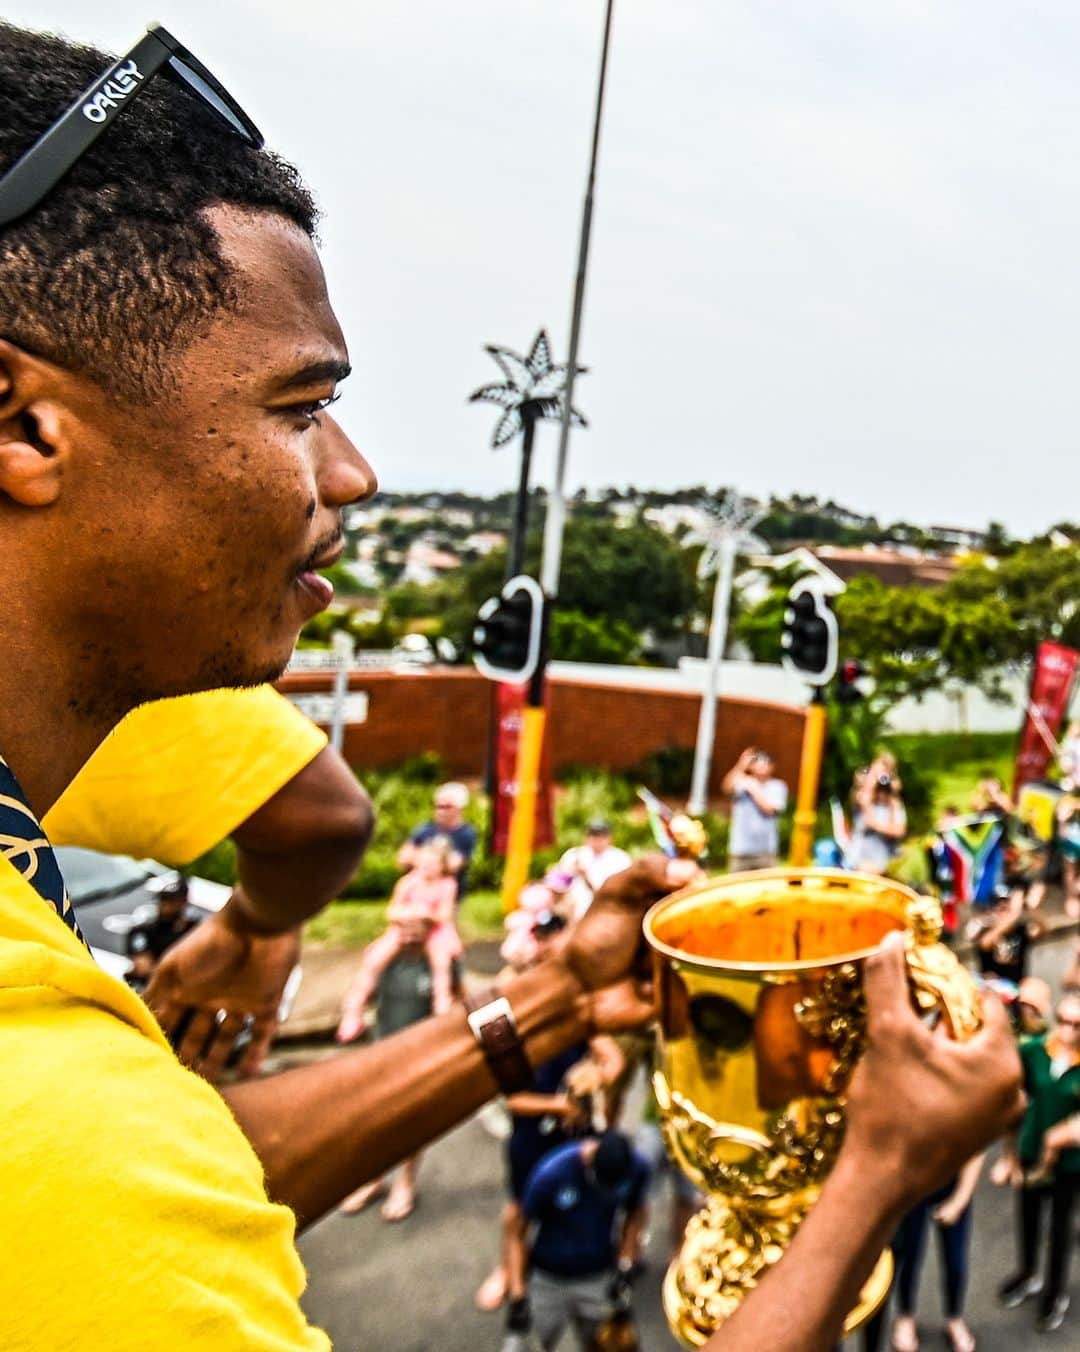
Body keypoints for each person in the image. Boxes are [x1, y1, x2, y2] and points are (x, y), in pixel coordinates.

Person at [0, 22, 1024, 1351]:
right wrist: (871, 1180)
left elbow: (184, 1179)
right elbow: (116, 1187)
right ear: (26, 426)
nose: (355, 473)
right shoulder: (56, 1141)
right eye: (299, 408)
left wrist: (548, 997)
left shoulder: (87, 1153)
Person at [503, 1130, 649, 1351]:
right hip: (548, 1279)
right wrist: (517, 1295)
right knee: (519, 1346)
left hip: (598, 1277)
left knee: (616, 1345)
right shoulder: (552, 1174)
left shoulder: (637, 1169)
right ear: (590, 1161)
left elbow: (636, 1212)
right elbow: (516, 1233)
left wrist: (626, 1262)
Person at [995, 990, 1080, 1334]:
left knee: (1060, 1229)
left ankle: (1055, 1293)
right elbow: (1014, 1099)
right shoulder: (1034, 1051)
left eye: (1077, 1024)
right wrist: (1010, 1155)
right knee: (1027, 1215)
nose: (1068, 1030)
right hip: (1031, 1150)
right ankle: (1028, 1273)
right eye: (1063, 1020)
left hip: (1070, 1164)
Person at [336, 838, 461, 1035]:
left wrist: (425, 914)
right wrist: (408, 915)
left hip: (433, 932)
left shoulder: (447, 885)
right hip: (403, 930)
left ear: (442, 866)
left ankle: (441, 1005)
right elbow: (392, 911)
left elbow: (444, 916)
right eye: (423, 864)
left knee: (441, 962)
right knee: (374, 959)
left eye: (432, 865)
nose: (427, 869)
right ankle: (354, 1009)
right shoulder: (409, 882)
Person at [887, 1153, 983, 1352]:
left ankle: (954, 1318)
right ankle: (905, 1316)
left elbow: (975, 1152)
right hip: (913, 1187)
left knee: (955, 1261)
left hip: (952, 1185)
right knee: (908, 1256)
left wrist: (959, 1200)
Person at [397, 782, 478, 900]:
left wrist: (421, 858)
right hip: (417, 891)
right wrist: (438, 860)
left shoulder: (466, 833)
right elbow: (402, 860)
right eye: (438, 806)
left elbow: (453, 866)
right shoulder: (424, 829)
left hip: (447, 895)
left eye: (447, 807)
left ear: (460, 809)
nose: (441, 811)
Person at [124, 876, 201, 992]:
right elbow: (143, 967)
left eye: (170, 900)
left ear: (183, 902)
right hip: (148, 991)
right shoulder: (143, 931)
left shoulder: (194, 932)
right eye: (163, 899)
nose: (164, 905)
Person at [722, 747, 788, 871]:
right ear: (751, 766)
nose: (762, 766)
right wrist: (741, 765)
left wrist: (753, 789)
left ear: (772, 766)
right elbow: (726, 788)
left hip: (765, 851)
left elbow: (770, 809)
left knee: (766, 888)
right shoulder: (741, 782)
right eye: (757, 762)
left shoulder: (777, 786)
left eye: (766, 762)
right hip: (741, 849)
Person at [558, 820, 632, 920]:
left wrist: (586, 876)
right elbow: (560, 882)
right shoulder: (574, 855)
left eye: (601, 835)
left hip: (607, 911)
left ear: (610, 838)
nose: (597, 839)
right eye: (593, 835)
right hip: (576, 912)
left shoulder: (620, 858)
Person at [851, 762, 908, 874]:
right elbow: (865, 795)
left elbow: (900, 831)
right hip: (860, 861)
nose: (882, 793)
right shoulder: (864, 800)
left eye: (886, 790)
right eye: (879, 789)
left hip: (881, 863)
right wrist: (875, 774)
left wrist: (893, 791)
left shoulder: (894, 805)